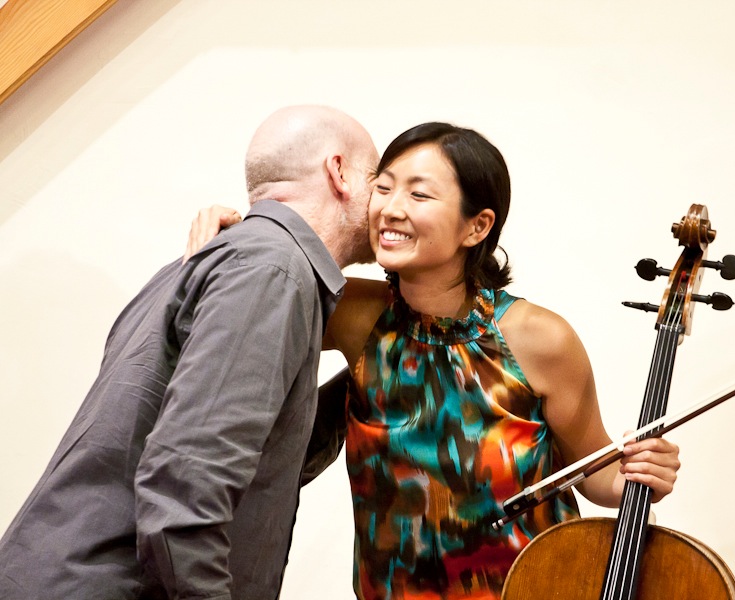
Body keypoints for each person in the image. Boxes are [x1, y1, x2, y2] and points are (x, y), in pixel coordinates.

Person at [188, 122, 681, 599]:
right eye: (383, 188)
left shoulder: (540, 339)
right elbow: (244, 314)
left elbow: (596, 472)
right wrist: (245, 235)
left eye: (419, 195)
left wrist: (640, 475)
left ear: (477, 226)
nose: (390, 209)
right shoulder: (353, 316)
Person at [0, 105, 379, 600]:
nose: (387, 203)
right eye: (379, 179)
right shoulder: (273, 270)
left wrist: (374, 383)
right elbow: (185, 490)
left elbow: (248, 463)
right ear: (339, 172)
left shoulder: (222, 260)